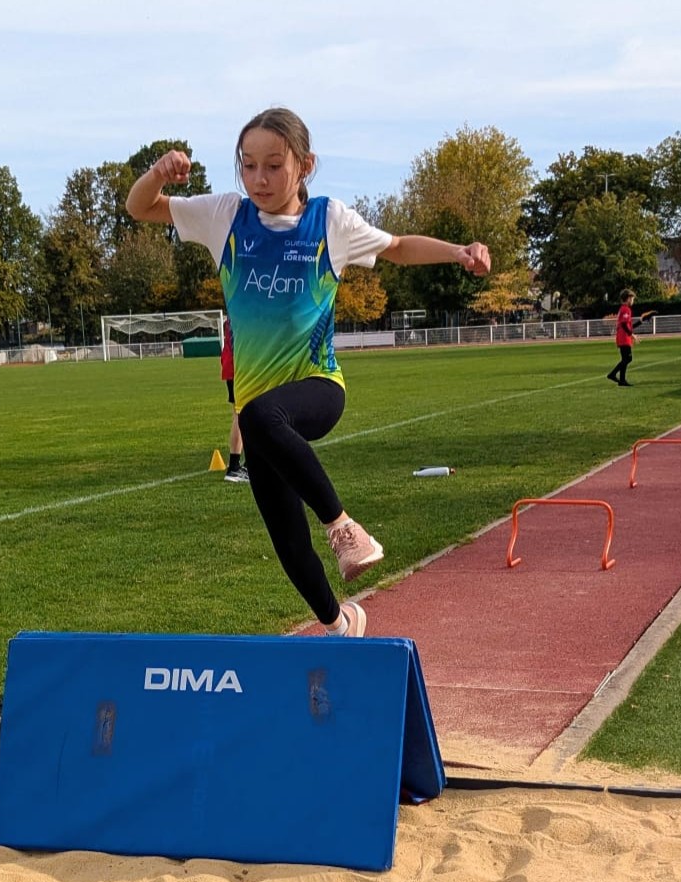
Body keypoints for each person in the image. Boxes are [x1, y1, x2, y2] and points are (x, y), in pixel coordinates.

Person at [126, 108, 491, 638]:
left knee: (258, 417)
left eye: (274, 165)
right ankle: (340, 623)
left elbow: (396, 247)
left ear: (306, 165)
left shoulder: (330, 222)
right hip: (260, 414)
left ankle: (344, 529)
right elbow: (140, 207)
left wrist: (458, 252)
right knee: (286, 537)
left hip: (318, 388)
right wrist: (158, 173)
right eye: (248, 165)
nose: (259, 179)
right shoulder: (225, 216)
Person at [219, 318, 249, 482]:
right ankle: (234, 467)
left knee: (241, 415)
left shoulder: (233, 317)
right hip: (241, 368)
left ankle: (240, 465)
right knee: (241, 415)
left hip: (232, 368)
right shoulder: (242, 317)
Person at [606, 289, 637, 386]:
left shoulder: (622, 309)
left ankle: (622, 380)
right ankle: (612, 374)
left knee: (625, 359)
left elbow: (626, 324)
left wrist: (639, 322)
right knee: (628, 359)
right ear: (628, 299)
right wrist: (631, 334)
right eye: (632, 299)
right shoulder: (626, 309)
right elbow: (624, 324)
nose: (633, 301)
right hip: (624, 337)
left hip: (621, 337)